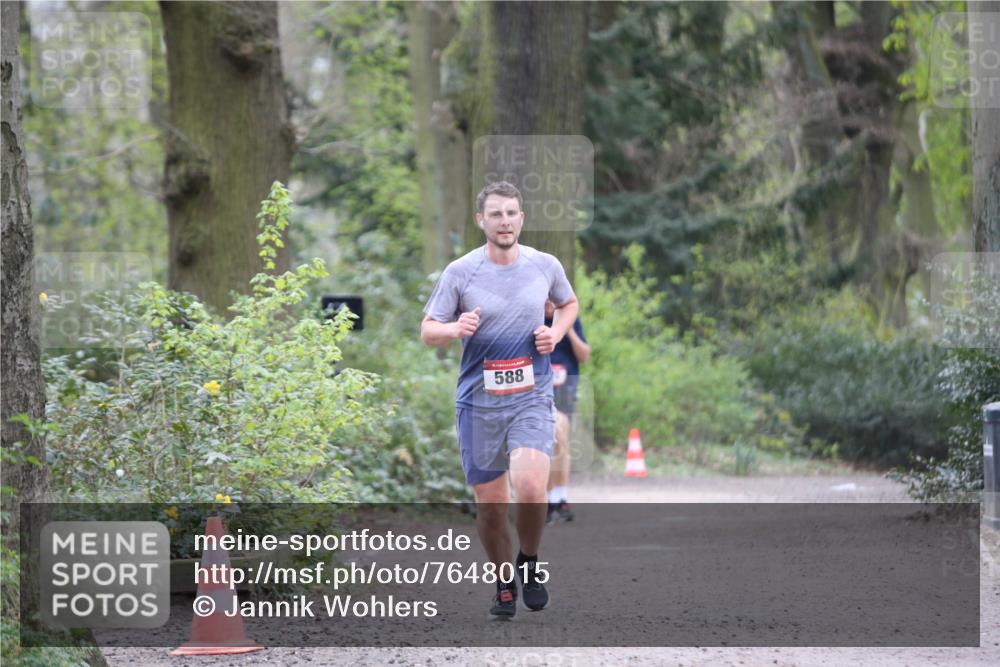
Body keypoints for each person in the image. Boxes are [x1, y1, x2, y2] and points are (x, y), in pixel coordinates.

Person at [420, 181, 579, 618]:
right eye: (496, 214)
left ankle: (528, 562)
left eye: (511, 213)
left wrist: (556, 333)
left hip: (531, 396)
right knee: (490, 510)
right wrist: (455, 329)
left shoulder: (544, 265)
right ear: (481, 221)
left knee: (529, 487)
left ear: (522, 219)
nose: (504, 221)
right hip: (478, 402)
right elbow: (428, 329)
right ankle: (503, 581)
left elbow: (568, 304)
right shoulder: (460, 272)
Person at [543, 299, 589, 524]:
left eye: (552, 299)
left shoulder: (569, 318)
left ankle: (558, 499)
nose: (548, 304)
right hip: (539, 388)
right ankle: (551, 500)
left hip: (565, 389)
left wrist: (567, 329)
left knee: (560, 438)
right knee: (553, 440)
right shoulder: (532, 319)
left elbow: (584, 355)